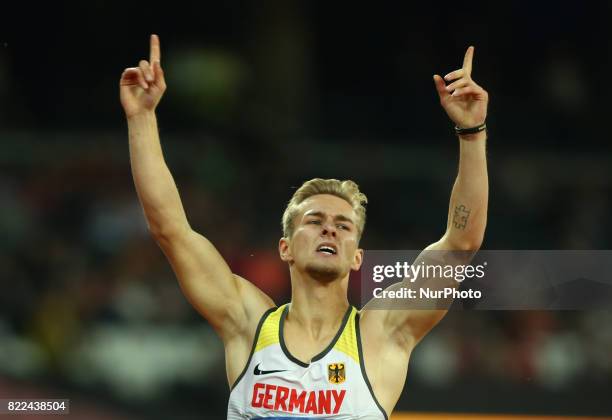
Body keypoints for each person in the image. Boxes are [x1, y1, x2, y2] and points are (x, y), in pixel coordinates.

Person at [120, 34, 488, 419]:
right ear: (285, 247)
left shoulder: (380, 334)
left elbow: (461, 243)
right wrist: (142, 118)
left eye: (344, 226)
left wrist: (472, 133)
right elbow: (171, 229)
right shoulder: (247, 322)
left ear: (358, 257)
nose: (330, 230)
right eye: (315, 221)